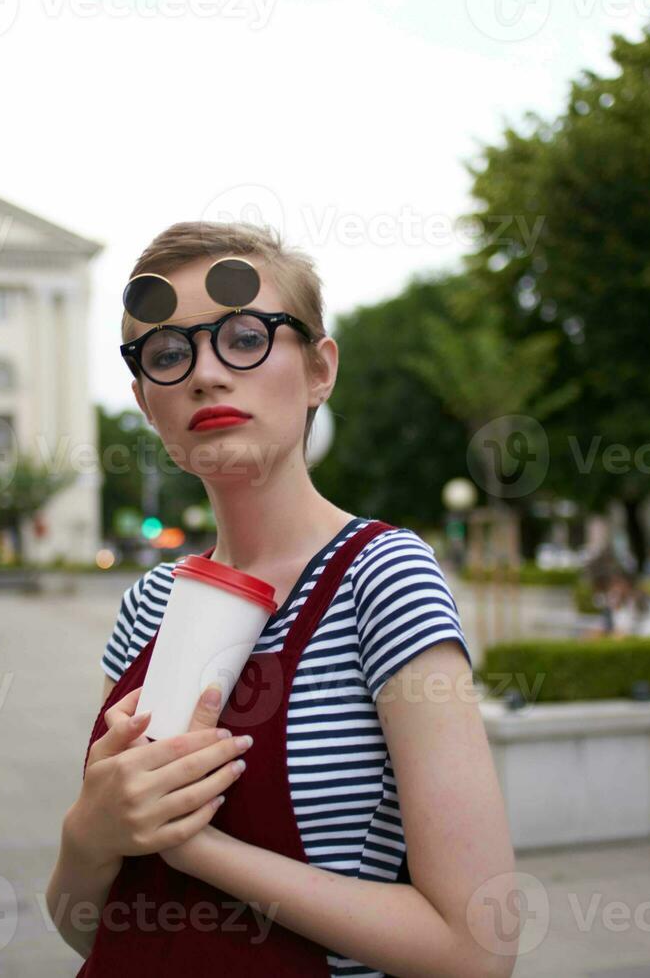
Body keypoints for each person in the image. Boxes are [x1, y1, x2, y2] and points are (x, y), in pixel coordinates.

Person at [46, 223, 519, 977]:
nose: (205, 373)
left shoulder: (383, 579)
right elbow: (93, 931)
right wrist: (89, 836)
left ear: (320, 369)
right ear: (143, 400)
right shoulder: (145, 605)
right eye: (168, 354)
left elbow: (477, 948)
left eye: (244, 337)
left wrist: (195, 848)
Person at [603, 567, 650, 638]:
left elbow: (628, 627)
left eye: (618, 584)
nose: (615, 588)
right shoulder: (618, 601)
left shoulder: (639, 598)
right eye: (613, 585)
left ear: (627, 585)